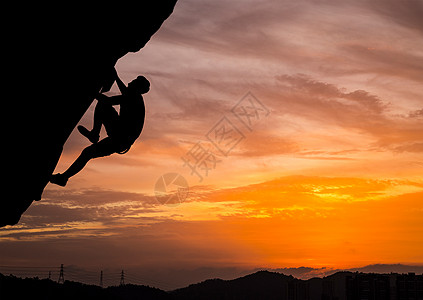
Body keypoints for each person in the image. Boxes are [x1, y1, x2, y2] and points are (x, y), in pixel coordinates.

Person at [50, 70, 150, 187]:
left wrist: (92, 92)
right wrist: (116, 76)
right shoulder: (133, 96)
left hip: (120, 138)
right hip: (120, 138)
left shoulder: (133, 97)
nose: (132, 81)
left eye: (135, 81)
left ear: (137, 87)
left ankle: (94, 134)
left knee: (103, 105)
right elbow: (123, 90)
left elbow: (108, 101)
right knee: (87, 153)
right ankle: (64, 177)